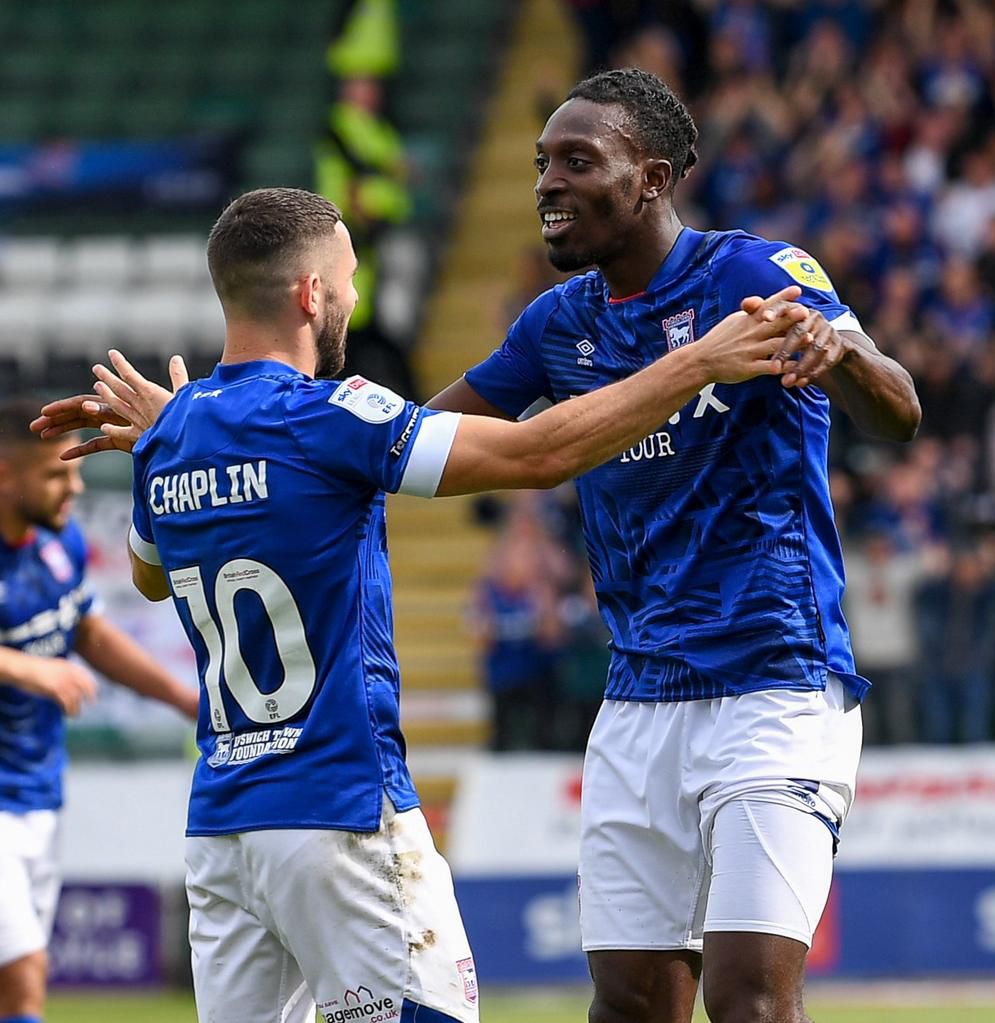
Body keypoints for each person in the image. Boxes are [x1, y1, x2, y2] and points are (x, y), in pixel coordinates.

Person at [32, 185, 813, 1023]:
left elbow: (152, 574)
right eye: (350, 280)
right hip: (340, 812)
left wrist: (182, 426)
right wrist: (700, 360)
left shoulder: (170, 439)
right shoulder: (332, 416)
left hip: (224, 834)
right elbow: (541, 451)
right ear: (311, 295)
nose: (356, 298)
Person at [421, 70, 920, 1023]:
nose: (547, 183)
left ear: (652, 178)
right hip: (638, 701)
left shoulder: (755, 273)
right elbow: (417, 440)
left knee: (751, 1006)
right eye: (539, 164)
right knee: (630, 1006)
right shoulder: (556, 325)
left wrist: (844, 350)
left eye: (577, 161)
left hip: (775, 684)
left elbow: (899, 409)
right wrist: (241, 419)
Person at [0, 398, 198, 1023]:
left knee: (20, 984)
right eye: (57, 474)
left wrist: (183, 697)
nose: (74, 487)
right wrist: (26, 666)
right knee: (25, 978)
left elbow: (88, 634)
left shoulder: (58, 548)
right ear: (6, 476)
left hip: (40, 793)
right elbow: (47, 659)